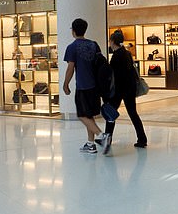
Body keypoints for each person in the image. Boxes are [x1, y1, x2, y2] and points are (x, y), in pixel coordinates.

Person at [63, 18, 107, 154]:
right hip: (95, 87)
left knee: (82, 115)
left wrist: (65, 84)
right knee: (89, 115)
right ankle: (90, 143)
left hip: (83, 86)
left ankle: (102, 136)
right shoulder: (94, 45)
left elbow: (70, 68)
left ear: (73, 31)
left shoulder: (72, 47)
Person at [102, 30, 148, 155]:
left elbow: (113, 75)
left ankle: (107, 140)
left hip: (119, 89)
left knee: (110, 114)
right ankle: (142, 138)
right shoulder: (127, 53)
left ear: (112, 41)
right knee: (133, 113)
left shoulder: (116, 56)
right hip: (130, 88)